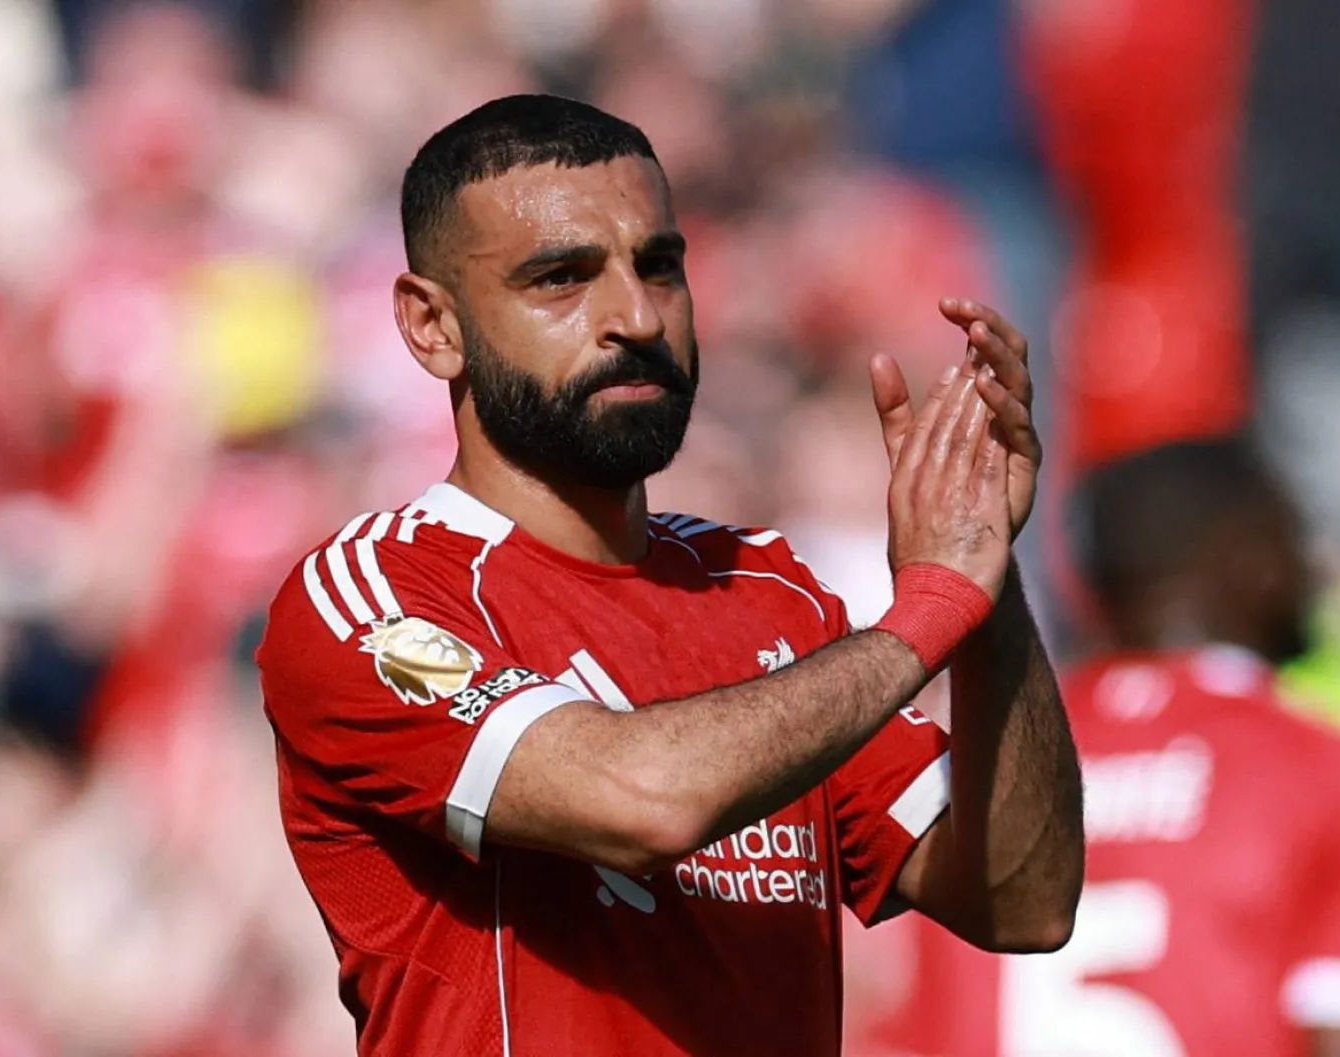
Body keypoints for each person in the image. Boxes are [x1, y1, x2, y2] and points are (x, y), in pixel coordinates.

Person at [256, 94, 1084, 1057]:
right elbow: (644, 801)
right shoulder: (373, 593)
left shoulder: (771, 592)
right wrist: (934, 606)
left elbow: (1021, 898)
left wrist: (989, 577)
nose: (636, 317)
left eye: (658, 265)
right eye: (560, 278)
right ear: (432, 325)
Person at [846, 438, 1340, 1057]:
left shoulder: (974, 753)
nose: (1317, 567)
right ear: (1251, 560)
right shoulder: (1324, 768)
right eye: (1295, 536)